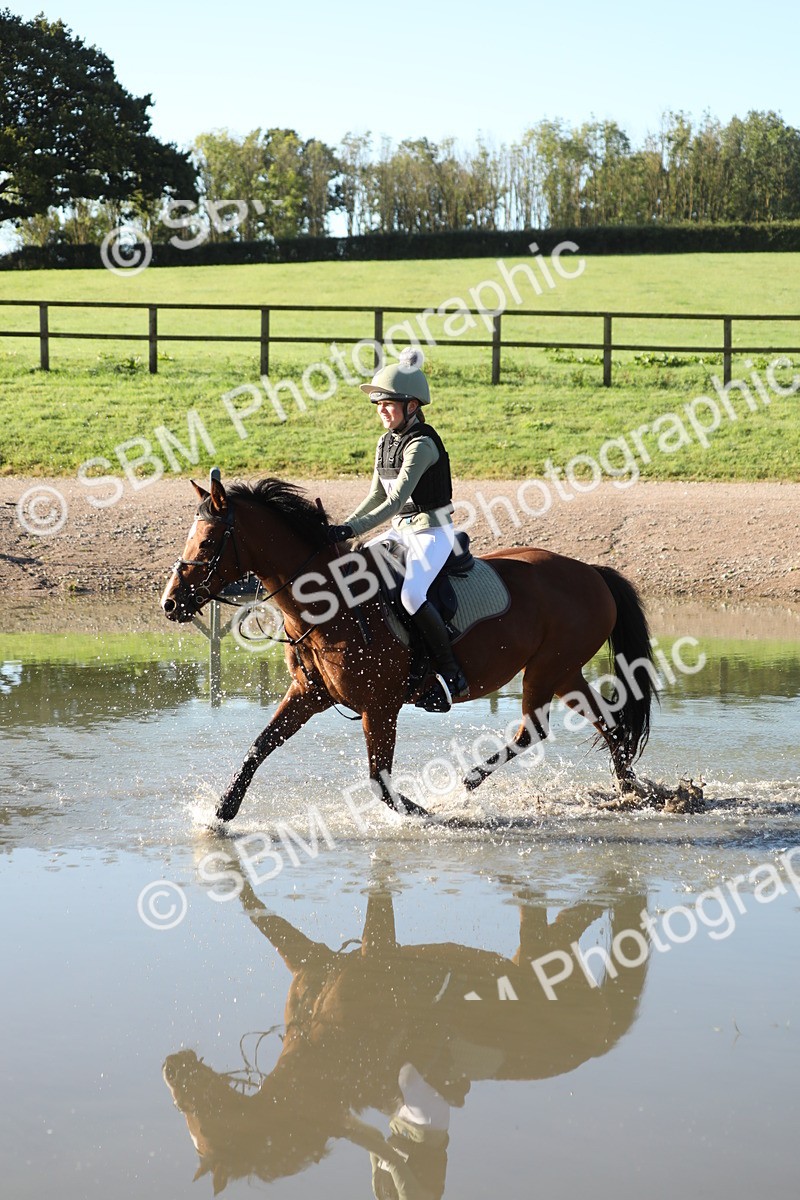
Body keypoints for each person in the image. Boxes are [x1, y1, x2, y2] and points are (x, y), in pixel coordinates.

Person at [327, 347, 469, 712]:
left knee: (410, 596)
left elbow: (394, 502)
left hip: (431, 534)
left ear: (412, 405)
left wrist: (352, 529)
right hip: (400, 532)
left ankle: (451, 674)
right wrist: (343, 528)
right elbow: (375, 496)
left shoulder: (421, 445)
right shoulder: (385, 442)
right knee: (354, 572)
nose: (381, 411)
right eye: (378, 405)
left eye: (388, 403)